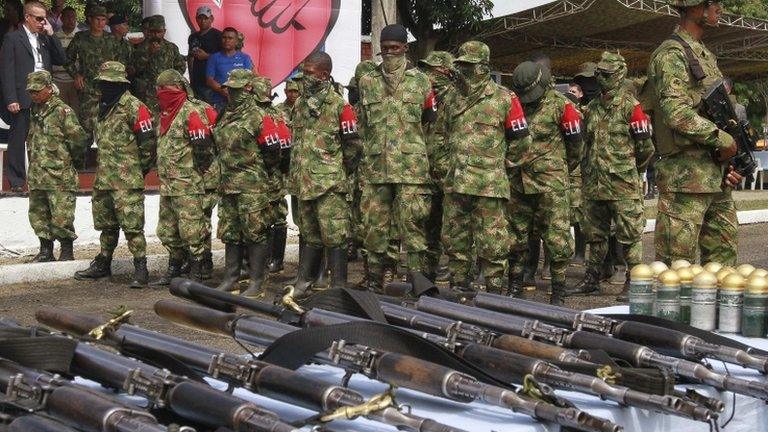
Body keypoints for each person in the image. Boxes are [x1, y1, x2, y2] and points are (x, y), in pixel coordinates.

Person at [648, 0, 741, 266]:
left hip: (715, 178)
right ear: (695, 8)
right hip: (684, 181)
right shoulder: (671, 54)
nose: (719, 8)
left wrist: (729, 159)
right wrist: (723, 140)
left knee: (723, 267)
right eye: (714, 3)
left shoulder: (704, 55)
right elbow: (676, 113)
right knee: (677, 270)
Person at [357, 24, 436, 291]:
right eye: (385, 48)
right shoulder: (367, 82)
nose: (389, 53)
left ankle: (417, 279)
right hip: (376, 167)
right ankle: (376, 279)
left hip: (411, 167)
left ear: (405, 48)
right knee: (373, 226)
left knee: (412, 225)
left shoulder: (422, 82)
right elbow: (363, 124)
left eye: (395, 48)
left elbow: (429, 124)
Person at [570, 52, 654, 301]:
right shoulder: (593, 108)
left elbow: (646, 148)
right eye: (599, 75)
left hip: (622, 185)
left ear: (619, 76)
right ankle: (593, 278)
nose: (601, 79)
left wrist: (628, 171)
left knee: (629, 235)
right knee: (595, 235)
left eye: (605, 75)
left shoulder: (631, 107)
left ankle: (634, 282)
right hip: (595, 185)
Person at [441, 41, 514, 295]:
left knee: (493, 242)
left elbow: (521, 141)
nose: (465, 71)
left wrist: (500, 167)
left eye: (470, 66)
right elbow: (442, 134)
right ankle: (459, 288)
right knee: (455, 240)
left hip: (489, 186)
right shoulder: (451, 96)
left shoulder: (504, 98)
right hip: (457, 182)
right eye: (462, 66)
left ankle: (494, 292)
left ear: (484, 67)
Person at [74, 61, 156, 288]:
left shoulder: (134, 107)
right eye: (103, 82)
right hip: (104, 178)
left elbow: (148, 143)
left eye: (111, 83)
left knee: (132, 227)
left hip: (127, 180)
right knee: (106, 225)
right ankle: (103, 263)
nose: (106, 86)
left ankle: (141, 268)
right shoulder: (102, 106)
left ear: (121, 83)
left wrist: (141, 169)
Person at [508, 61, 584, 304]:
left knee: (557, 238)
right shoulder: (513, 104)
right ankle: (515, 285)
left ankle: (558, 290)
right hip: (518, 184)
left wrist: (557, 170)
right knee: (516, 237)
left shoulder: (563, 106)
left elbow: (576, 148)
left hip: (551, 185)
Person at [287, 52, 359, 296]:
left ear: (324, 75)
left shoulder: (340, 106)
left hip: (329, 185)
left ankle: (338, 288)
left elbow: (352, 148)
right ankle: (303, 283)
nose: (303, 78)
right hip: (303, 183)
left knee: (335, 236)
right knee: (309, 235)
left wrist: (335, 172)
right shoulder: (300, 104)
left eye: (308, 73)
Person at [213, 69, 284, 296]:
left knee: (255, 232)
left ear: (249, 89)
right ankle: (231, 278)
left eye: (238, 89)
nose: (233, 93)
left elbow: (274, 152)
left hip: (252, 184)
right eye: (230, 89)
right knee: (231, 232)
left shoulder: (259, 116)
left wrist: (258, 170)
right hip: (228, 184)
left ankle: (257, 282)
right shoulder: (224, 114)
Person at [151, 69, 216, 285]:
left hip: (189, 183)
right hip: (168, 183)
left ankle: (197, 271)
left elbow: (205, 149)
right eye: (158, 89)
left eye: (165, 88)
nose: (161, 93)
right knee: (167, 230)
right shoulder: (163, 113)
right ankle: (174, 267)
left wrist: (203, 175)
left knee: (192, 230)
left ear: (179, 88)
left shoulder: (194, 111)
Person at [1, 1, 66, 192]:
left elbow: (62, 59)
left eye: (44, 18)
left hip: (45, 97)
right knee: (18, 138)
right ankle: (17, 181)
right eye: (38, 19)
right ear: (27, 17)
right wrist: (11, 98)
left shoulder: (45, 38)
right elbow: (6, 71)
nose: (42, 22)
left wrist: (52, 34)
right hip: (23, 95)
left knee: (46, 137)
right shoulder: (12, 39)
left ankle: (44, 178)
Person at [25, 70, 87, 262]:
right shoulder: (33, 111)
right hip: (38, 175)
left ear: (49, 89)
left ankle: (66, 251)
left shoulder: (62, 111)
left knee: (62, 217)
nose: (34, 95)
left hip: (59, 176)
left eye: (37, 90)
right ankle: (45, 250)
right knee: (38, 215)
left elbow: (78, 141)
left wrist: (71, 163)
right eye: (31, 92)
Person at [419, 51, 455, 282]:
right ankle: (428, 272)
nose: (428, 76)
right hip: (427, 172)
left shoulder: (457, 99)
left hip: (452, 174)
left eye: (433, 71)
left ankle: (456, 273)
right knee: (428, 226)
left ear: (446, 72)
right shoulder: (424, 100)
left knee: (453, 228)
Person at [65, 4, 115, 142]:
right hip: (88, 90)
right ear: (89, 20)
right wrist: (75, 75)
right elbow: (67, 59)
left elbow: (120, 62)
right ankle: (84, 163)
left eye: (103, 20)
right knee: (86, 130)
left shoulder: (111, 39)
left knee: (108, 130)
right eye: (97, 19)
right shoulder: (80, 38)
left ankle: (105, 162)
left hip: (108, 91)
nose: (100, 23)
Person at [132, 15, 186, 115]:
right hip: (146, 95)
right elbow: (134, 70)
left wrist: (172, 81)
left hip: (167, 93)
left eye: (159, 32)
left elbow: (181, 66)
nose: (156, 35)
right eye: (153, 32)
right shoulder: (140, 48)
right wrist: (149, 53)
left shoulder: (171, 48)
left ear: (164, 32)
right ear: (149, 31)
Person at [206, 27, 253, 111]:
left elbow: (249, 80)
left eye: (230, 38)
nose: (227, 40)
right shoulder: (214, 57)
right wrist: (222, 90)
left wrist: (236, 94)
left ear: (236, 42)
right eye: (224, 37)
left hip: (240, 103)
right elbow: (209, 80)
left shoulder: (245, 58)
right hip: (219, 102)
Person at [188, 6, 221, 104]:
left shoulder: (218, 36)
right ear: (196, 19)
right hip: (196, 82)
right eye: (200, 18)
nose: (202, 21)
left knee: (212, 113)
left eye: (206, 18)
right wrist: (191, 79)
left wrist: (207, 56)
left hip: (212, 83)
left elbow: (225, 57)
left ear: (211, 19)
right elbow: (190, 57)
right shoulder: (193, 37)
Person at [52, 7, 79, 117]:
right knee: (60, 114)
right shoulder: (54, 36)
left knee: (76, 113)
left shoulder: (81, 36)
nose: (71, 20)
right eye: (68, 17)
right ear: (62, 18)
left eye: (73, 17)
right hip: (58, 81)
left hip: (76, 81)